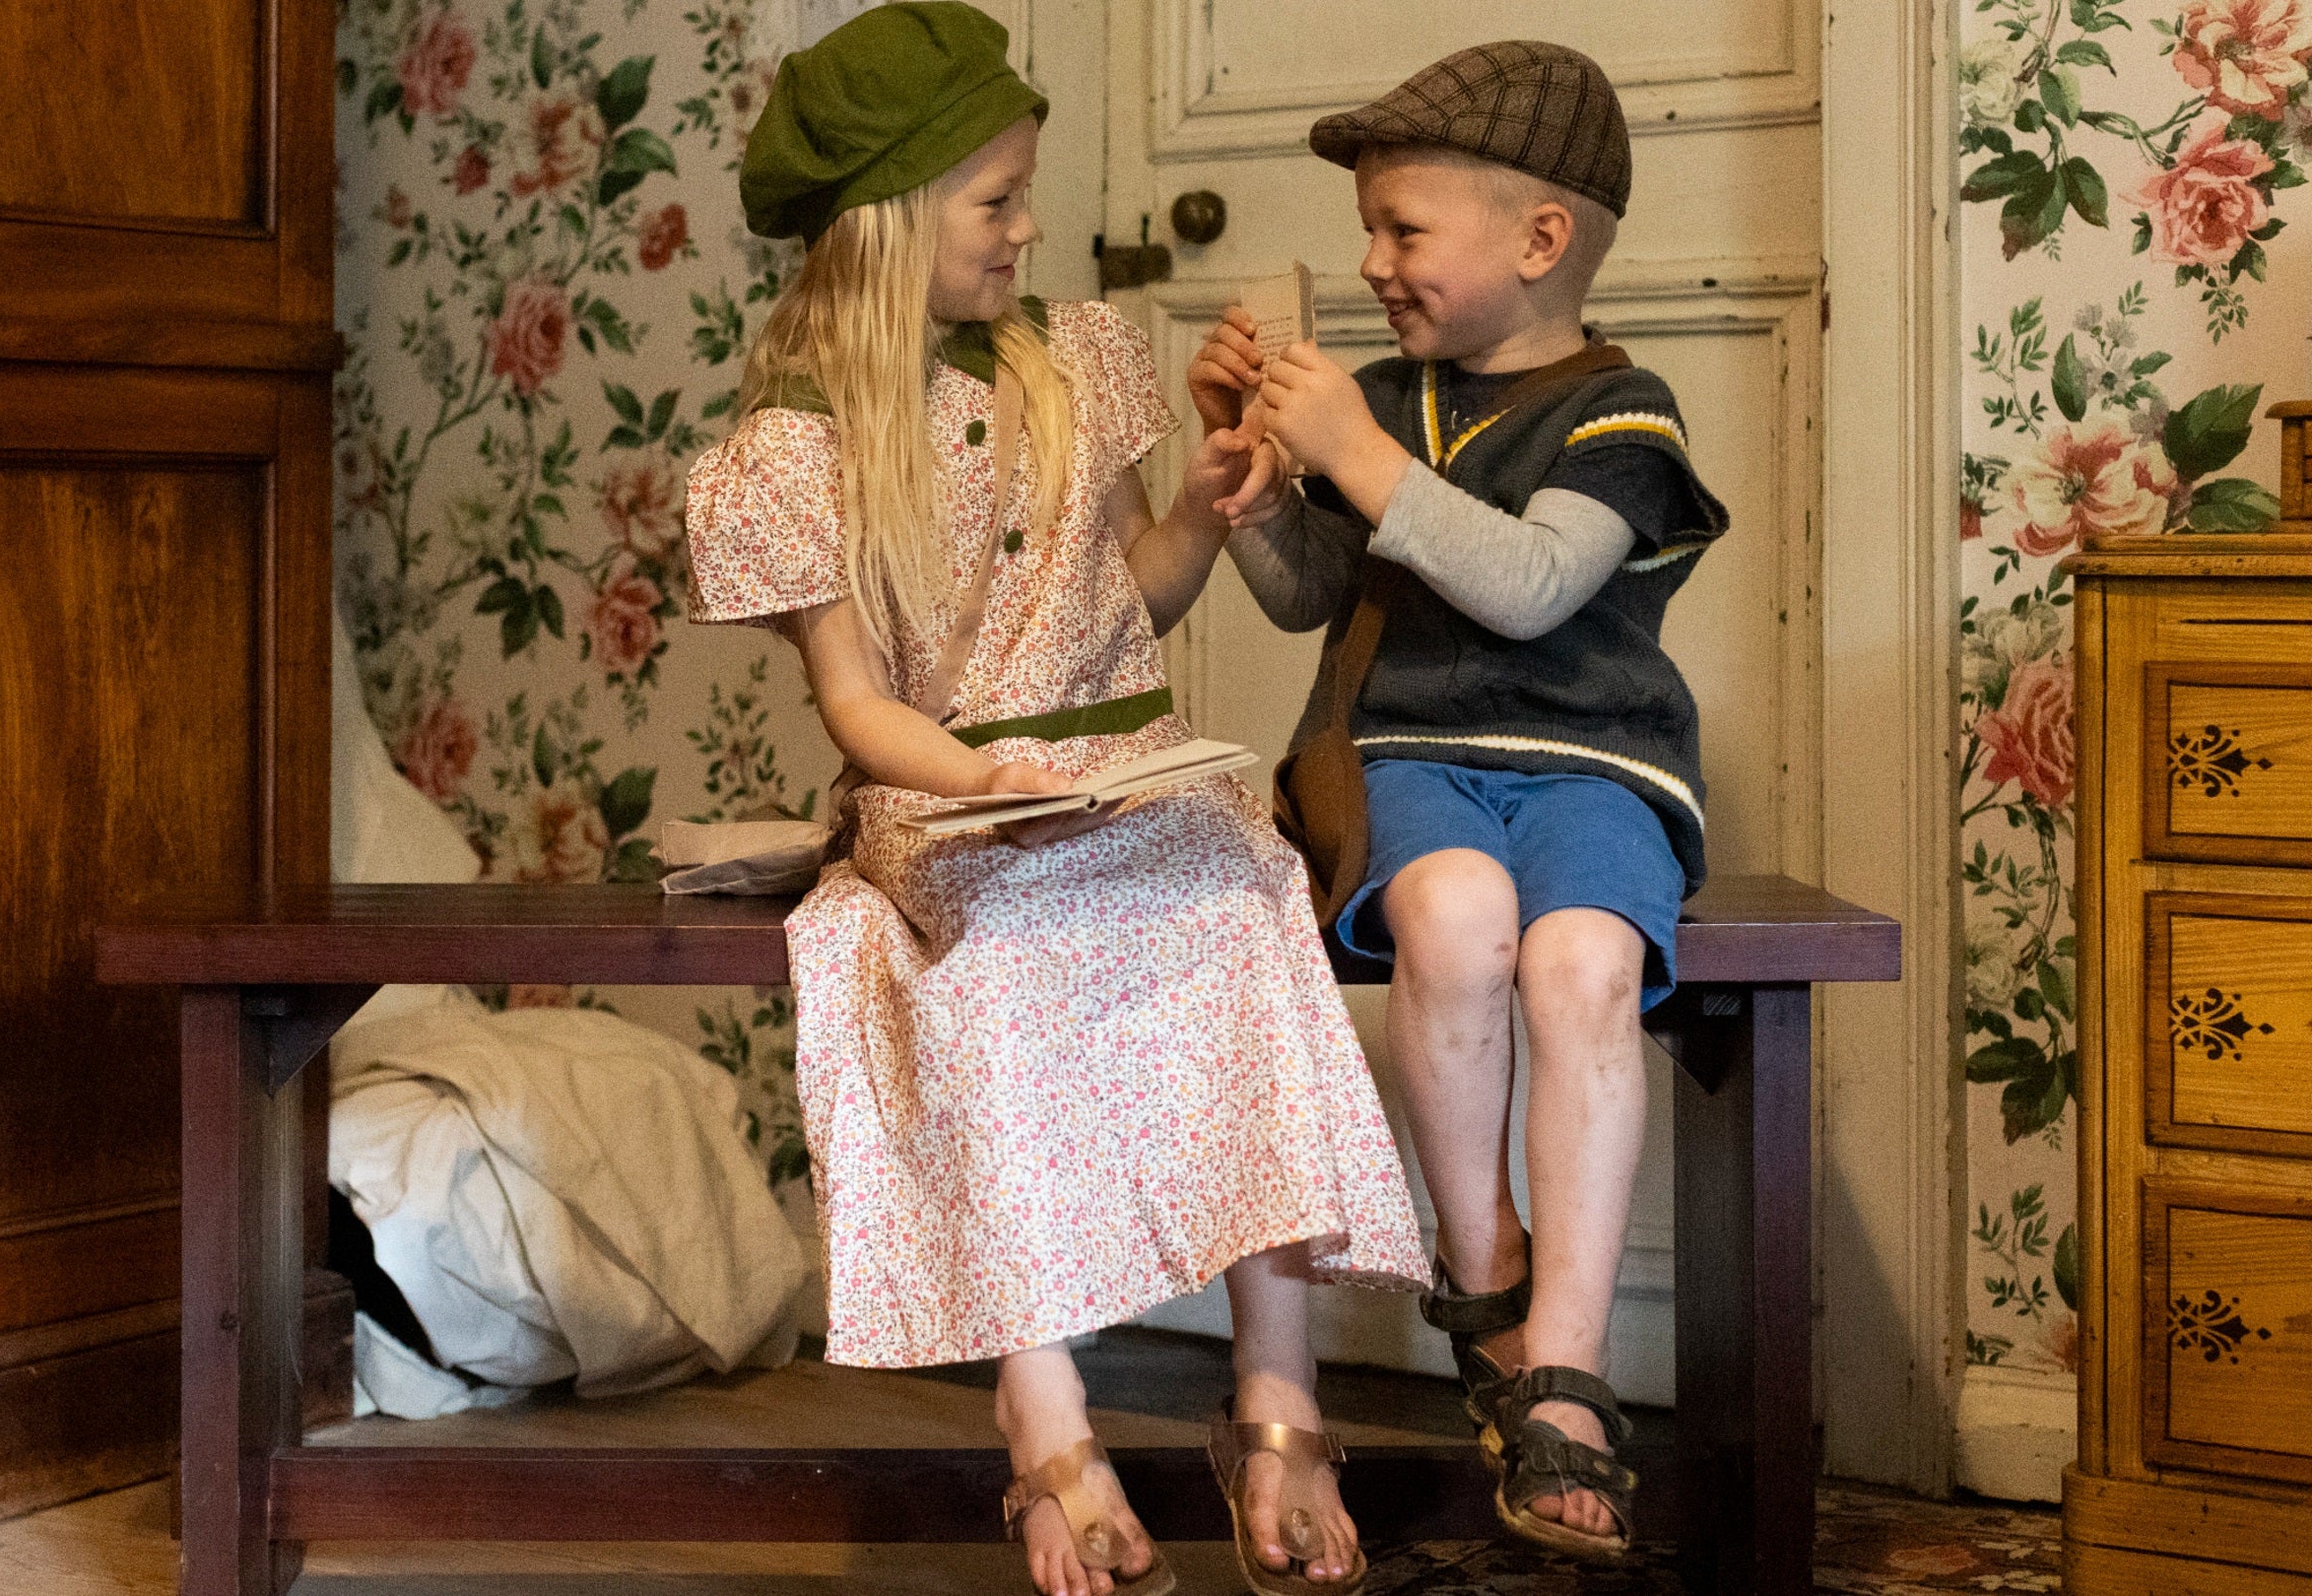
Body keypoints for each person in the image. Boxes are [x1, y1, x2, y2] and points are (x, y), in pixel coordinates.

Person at [680, 8, 1429, 1594]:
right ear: (886, 226)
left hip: (1123, 772)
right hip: (948, 798)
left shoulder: (1079, 358)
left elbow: (1126, 595)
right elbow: (858, 703)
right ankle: (1047, 1418)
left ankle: (1277, 1397)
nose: (1029, 226)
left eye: (1026, 194)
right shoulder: (799, 445)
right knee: (991, 978)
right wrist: (985, 781)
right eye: (995, 202)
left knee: (1244, 906)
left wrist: (1217, 519)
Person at [1189, 39, 1731, 1564]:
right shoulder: (1378, 400)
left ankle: (1559, 1367)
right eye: (1369, 230)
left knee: (1580, 965)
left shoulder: (1625, 413)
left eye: (1404, 231)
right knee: (1454, 914)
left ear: (1540, 241)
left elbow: (1531, 585)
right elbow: (1314, 595)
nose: (1373, 264)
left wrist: (1352, 453)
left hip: (1598, 768)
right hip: (1411, 762)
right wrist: (1251, 488)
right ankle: (1480, 1259)